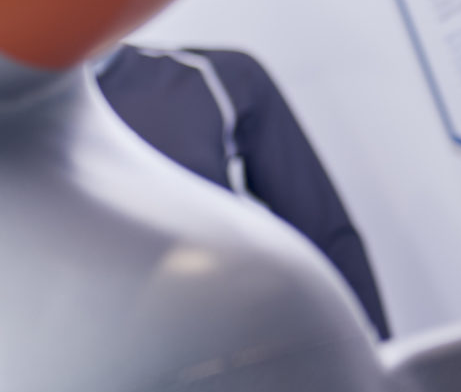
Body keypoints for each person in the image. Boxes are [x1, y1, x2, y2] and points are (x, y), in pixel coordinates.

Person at [97, 44, 389, 337]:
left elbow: (326, 236)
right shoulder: (51, 119)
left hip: (241, 349)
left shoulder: (213, 78)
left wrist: (376, 360)